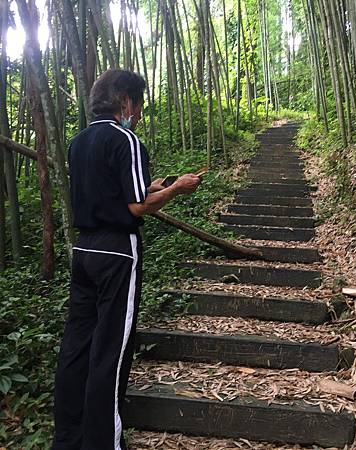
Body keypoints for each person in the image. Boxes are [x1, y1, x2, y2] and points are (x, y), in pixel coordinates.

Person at [52, 69, 201, 450]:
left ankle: (68, 440)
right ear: (124, 102)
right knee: (112, 352)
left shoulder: (78, 141)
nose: (137, 113)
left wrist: (154, 187)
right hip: (117, 253)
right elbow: (136, 206)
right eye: (137, 105)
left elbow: (111, 192)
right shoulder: (126, 139)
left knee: (77, 347)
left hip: (84, 251)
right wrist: (177, 189)